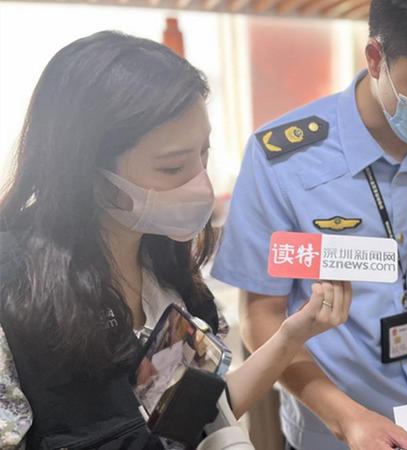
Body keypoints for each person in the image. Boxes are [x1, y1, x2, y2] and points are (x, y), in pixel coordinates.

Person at [0, 31, 352, 449]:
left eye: (203, 155)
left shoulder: (165, 265)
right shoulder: (17, 285)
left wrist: (290, 337)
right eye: (172, 168)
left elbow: (194, 414)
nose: (199, 185)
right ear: (86, 171)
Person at [211, 1, 407, 449]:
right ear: (376, 58)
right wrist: (346, 418)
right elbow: (262, 314)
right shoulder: (284, 160)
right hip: (335, 429)